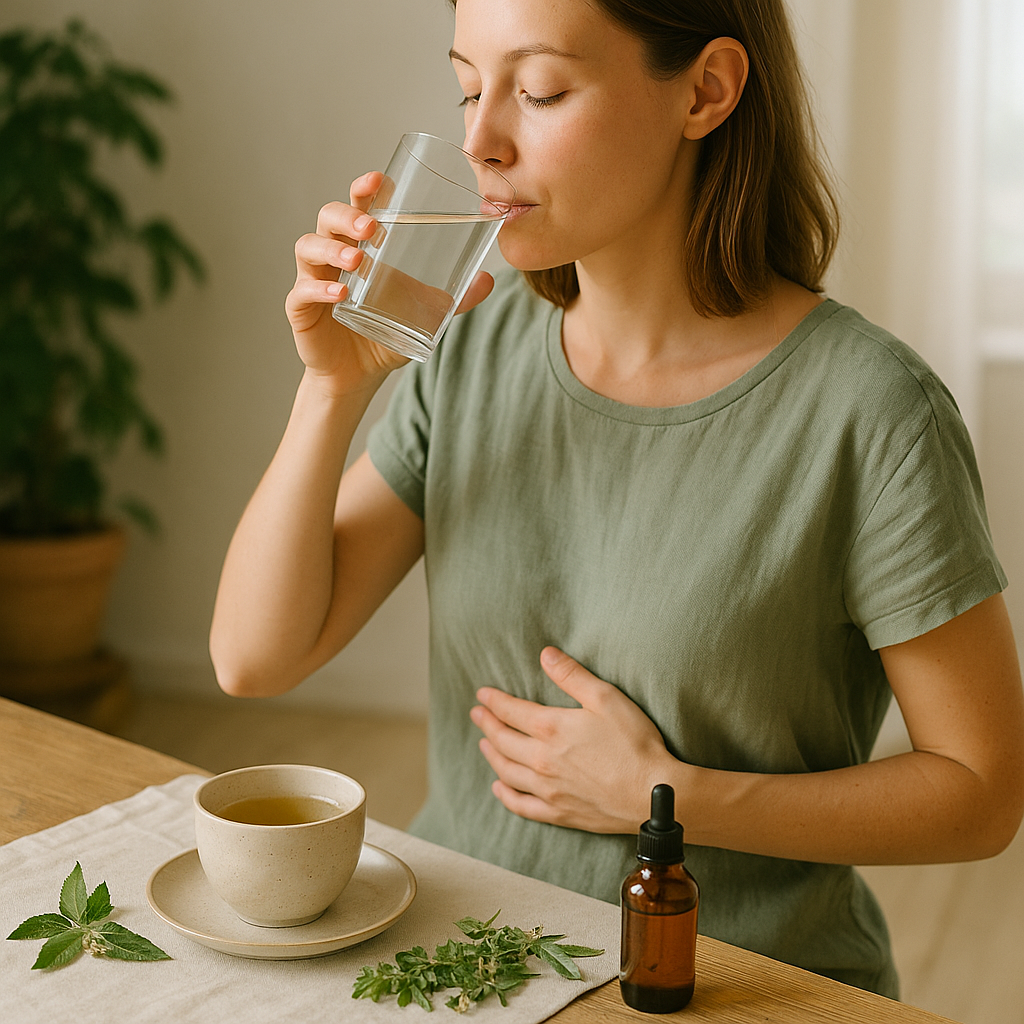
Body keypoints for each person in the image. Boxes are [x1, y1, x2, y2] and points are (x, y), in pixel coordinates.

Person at [209, 0, 1024, 999]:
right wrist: (334, 386)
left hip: (736, 987)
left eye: (539, 89)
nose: (479, 140)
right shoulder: (468, 351)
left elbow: (980, 794)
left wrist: (672, 798)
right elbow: (255, 655)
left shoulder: (871, 411)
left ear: (706, 90)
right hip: (464, 965)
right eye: (469, 87)